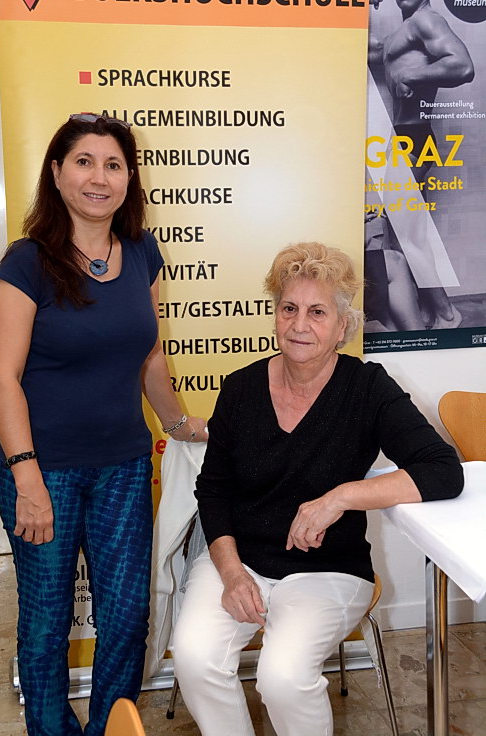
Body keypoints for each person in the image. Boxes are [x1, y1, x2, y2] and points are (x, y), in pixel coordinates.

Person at [172, 242, 463, 736]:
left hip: (329, 569)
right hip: (239, 560)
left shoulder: (368, 388)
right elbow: (213, 491)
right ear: (275, 315)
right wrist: (231, 573)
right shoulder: (240, 388)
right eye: (289, 308)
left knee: (283, 678)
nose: (299, 325)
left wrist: (340, 497)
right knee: (194, 658)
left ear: (342, 326)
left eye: (317, 312)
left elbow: (442, 470)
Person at [0, 113, 207, 736]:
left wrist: (178, 423)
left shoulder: (142, 253)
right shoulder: (26, 263)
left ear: (129, 179)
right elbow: (3, 379)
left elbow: (150, 354)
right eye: (84, 162)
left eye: (113, 165)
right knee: (46, 623)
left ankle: (114, 727)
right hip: (44, 472)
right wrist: (26, 478)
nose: (99, 178)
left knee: (127, 617)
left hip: (124, 468)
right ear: (57, 173)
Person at [368, 0, 474, 330]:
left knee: (405, 238)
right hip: (402, 138)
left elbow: (463, 65)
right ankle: (429, 312)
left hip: (413, 138)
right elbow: (357, 47)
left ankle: (446, 314)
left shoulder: (427, 21)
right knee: (406, 235)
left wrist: (412, 77)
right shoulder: (402, 33)